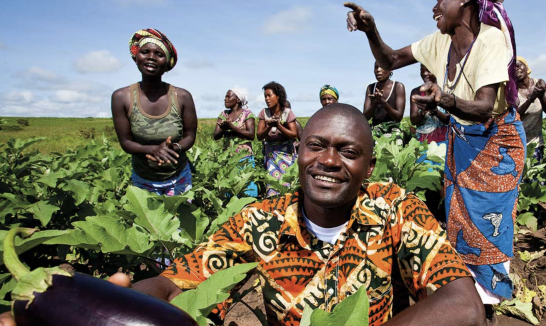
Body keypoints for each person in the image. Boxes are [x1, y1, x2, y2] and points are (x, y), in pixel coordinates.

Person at [0, 104, 490, 326]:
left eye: (348, 151)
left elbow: (462, 303)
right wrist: (101, 302)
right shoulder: (260, 221)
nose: (329, 161)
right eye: (316, 146)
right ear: (298, 152)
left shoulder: (395, 206)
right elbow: (178, 284)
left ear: (369, 163)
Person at [345, 0, 526, 316]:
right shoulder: (439, 42)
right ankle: (468, 299)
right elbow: (392, 58)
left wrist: (444, 99)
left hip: (495, 145)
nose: (434, 8)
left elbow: (486, 107)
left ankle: (486, 305)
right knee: (458, 221)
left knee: (487, 226)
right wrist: (371, 30)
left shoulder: (490, 39)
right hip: (462, 142)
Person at [110, 28, 197, 196]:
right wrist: (153, 150)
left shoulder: (182, 96)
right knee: (147, 222)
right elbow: (126, 142)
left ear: (167, 63)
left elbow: (190, 136)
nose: (151, 57)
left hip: (178, 178)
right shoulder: (121, 97)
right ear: (136, 58)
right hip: (143, 180)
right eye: (145, 52)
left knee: (180, 222)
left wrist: (175, 148)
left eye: (159, 54)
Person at [213, 87, 258, 197]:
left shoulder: (247, 114)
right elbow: (216, 136)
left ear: (237, 99)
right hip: (228, 157)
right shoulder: (223, 114)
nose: (225, 99)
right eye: (225, 97)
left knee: (245, 184)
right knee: (230, 185)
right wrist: (224, 128)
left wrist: (232, 128)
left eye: (228, 96)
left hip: (244, 157)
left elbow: (251, 135)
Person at [257, 81, 298, 196]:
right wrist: (269, 126)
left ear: (278, 96)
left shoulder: (287, 113)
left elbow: (294, 135)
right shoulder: (264, 113)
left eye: (269, 95)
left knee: (288, 184)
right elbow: (259, 136)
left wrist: (279, 126)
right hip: (271, 155)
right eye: (265, 96)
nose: (267, 99)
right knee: (272, 185)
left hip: (286, 155)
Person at [515, 56, 546, 161]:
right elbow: (515, 115)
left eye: (519, 65)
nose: (516, 69)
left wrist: (542, 94)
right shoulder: (512, 91)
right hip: (517, 144)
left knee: (534, 175)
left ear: (527, 68)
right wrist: (531, 99)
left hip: (536, 142)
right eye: (513, 68)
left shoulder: (538, 84)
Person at [364, 62, 406, 144]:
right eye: (376, 67)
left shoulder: (398, 86)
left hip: (394, 129)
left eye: (382, 67)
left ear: (390, 69)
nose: (378, 70)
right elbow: (365, 117)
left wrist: (383, 102)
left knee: (394, 150)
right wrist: (375, 104)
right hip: (375, 130)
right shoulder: (371, 88)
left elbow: (398, 117)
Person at [410, 64, 450, 146]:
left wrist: (435, 111)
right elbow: (413, 121)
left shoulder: (446, 90)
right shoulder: (416, 92)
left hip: (446, 139)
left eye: (428, 70)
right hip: (424, 141)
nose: (424, 73)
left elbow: (450, 120)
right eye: (422, 70)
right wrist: (423, 111)